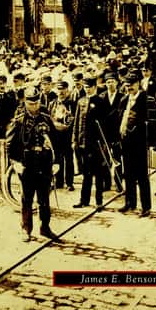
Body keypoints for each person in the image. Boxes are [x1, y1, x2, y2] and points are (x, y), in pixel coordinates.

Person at [5, 86, 60, 242]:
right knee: (27, 199)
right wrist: (15, 163)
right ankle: (26, 229)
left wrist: (56, 162)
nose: (34, 106)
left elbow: (56, 142)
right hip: (27, 166)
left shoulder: (46, 119)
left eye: (36, 103)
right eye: (30, 103)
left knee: (44, 199)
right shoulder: (19, 121)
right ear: (25, 102)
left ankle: (45, 227)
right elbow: (10, 146)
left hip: (44, 165)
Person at [117, 70, 154, 217]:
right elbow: (119, 118)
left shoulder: (146, 99)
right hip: (126, 142)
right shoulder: (124, 99)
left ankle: (146, 207)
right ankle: (130, 202)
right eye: (127, 85)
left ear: (138, 83)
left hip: (139, 143)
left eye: (131, 85)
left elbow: (150, 122)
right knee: (128, 174)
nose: (129, 88)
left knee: (142, 175)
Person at [71, 76, 106, 211]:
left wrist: (104, 143)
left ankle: (99, 202)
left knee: (98, 174)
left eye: (89, 87)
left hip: (96, 144)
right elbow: (76, 122)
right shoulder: (81, 101)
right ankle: (84, 200)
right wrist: (74, 139)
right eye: (85, 87)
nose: (87, 89)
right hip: (83, 143)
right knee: (86, 174)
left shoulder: (100, 101)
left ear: (94, 87)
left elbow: (104, 125)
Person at [48, 80, 76, 191]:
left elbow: (74, 120)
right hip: (55, 136)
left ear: (67, 90)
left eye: (63, 89)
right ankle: (58, 182)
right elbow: (48, 118)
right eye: (59, 89)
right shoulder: (52, 104)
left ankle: (69, 183)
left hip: (67, 136)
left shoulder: (72, 103)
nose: (61, 92)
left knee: (69, 159)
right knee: (57, 159)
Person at [99, 72, 124, 192]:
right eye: (108, 82)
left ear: (117, 83)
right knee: (104, 159)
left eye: (112, 82)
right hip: (104, 133)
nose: (110, 84)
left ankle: (119, 183)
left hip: (117, 133)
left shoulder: (122, 97)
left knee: (117, 158)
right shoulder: (101, 97)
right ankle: (107, 183)